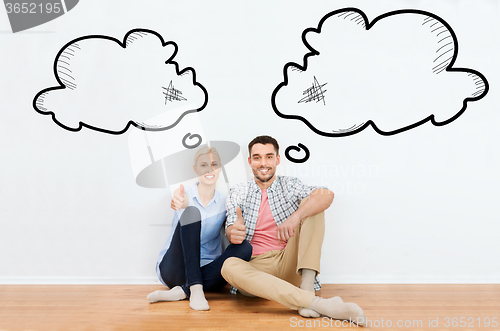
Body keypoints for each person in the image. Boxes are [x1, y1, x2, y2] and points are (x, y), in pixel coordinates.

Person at [221, 135, 365, 326]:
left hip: (289, 261)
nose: (263, 163)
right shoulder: (237, 191)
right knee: (228, 266)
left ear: (277, 160)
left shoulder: (290, 185)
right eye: (257, 158)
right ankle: (319, 303)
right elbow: (231, 226)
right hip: (257, 269)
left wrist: (295, 217)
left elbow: (326, 195)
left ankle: (307, 285)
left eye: (269, 157)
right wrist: (233, 232)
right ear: (250, 162)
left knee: (313, 203)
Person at [147, 146, 252, 311]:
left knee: (245, 248)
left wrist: (236, 229)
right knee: (192, 212)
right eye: (203, 165)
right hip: (174, 269)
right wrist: (181, 203)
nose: (209, 169)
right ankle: (195, 288)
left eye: (214, 164)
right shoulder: (184, 193)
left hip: (207, 270)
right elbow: (180, 200)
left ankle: (183, 291)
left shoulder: (225, 203)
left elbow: (231, 231)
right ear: (195, 169)